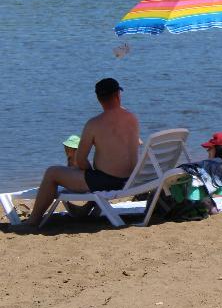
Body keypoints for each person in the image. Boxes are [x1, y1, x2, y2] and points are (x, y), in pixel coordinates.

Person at [21, 78, 140, 227]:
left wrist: (89, 171)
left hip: (107, 182)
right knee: (93, 175)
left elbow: (81, 159)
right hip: (131, 178)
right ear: (118, 95)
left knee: (52, 173)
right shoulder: (132, 118)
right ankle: (87, 208)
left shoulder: (94, 124)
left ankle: (32, 222)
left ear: (98, 99)